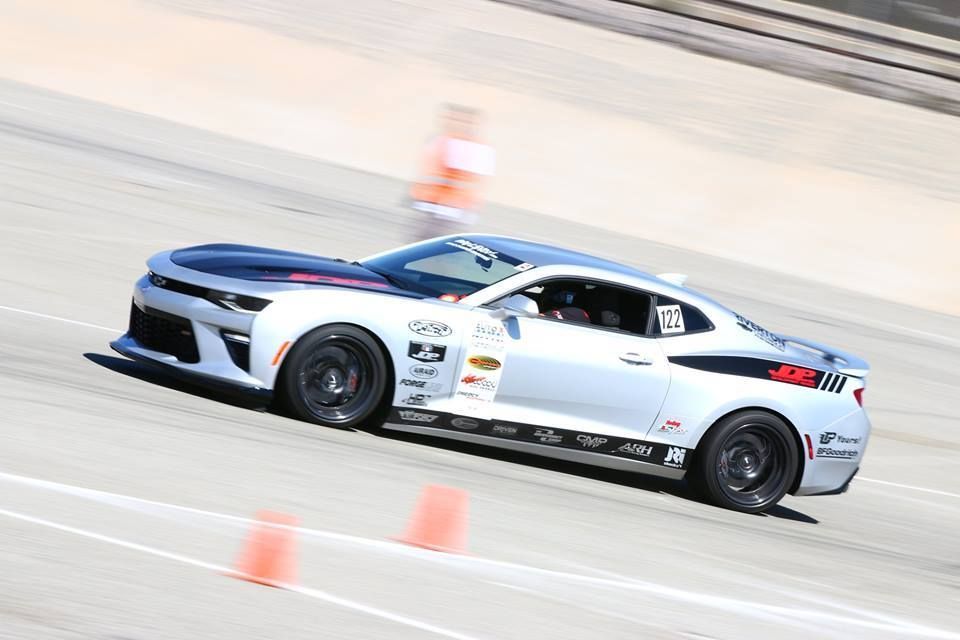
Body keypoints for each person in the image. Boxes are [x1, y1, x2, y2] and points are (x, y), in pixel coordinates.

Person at [409, 105, 495, 241]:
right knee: (420, 242)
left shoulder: (471, 146)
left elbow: (466, 180)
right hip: (431, 203)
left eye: (458, 119)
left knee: (429, 243)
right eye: (450, 118)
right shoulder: (440, 139)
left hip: (449, 207)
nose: (451, 122)